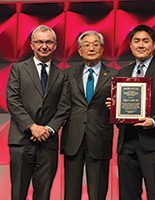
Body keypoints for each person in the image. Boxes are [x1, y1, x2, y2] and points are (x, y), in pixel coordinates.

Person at [113, 25, 155, 200]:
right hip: (127, 142)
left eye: (145, 41)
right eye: (136, 41)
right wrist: (114, 107)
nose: (140, 45)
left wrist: (154, 121)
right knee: (127, 195)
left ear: (154, 45)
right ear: (130, 45)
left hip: (154, 142)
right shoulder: (123, 72)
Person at [6, 25, 70, 200]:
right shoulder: (18, 69)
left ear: (55, 45)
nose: (44, 46)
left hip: (47, 143)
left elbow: (63, 108)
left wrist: (48, 129)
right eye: (39, 42)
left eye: (48, 42)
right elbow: (13, 101)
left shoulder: (62, 75)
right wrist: (32, 126)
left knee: (44, 194)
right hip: (21, 141)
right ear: (32, 45)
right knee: (18, 193)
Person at [60, 30, 117, 200]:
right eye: (86, 45)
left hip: (100, 138)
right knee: (71, 192)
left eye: (95, 44)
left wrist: (115, 107)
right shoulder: (68, 74)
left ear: (102, 49)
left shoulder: (115, 75)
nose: (91, 48)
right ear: (79, 50)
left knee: (98, 192)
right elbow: (61, 104)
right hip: (73, 139)